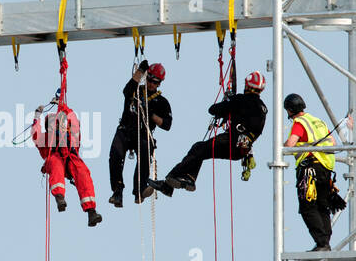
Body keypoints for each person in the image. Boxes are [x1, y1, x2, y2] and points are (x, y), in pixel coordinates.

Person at [148, 71, 266, 196]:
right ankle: (189, 179)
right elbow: (250, 120)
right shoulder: (262, 108)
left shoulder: (240, 100)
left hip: (230, 141)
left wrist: (229, 100)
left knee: (198, 148)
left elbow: (213, 109)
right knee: (201, 151)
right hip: (242, 150)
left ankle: (170, 181)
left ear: (247, 85)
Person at [107, 60, 173, 207]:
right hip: (125, 130)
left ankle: (140, 189)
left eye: (154, 82)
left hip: (142, 133)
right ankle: (117, 190)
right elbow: (126, 90)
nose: (151, 84)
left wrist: (152, 115)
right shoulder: (135, 91)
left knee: (145, 151)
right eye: (149, 80)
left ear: (159, 83)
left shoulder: (161, 102)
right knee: (115, 156)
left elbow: (167, 124)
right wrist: (141, 71)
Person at [32, 101, 103, 227]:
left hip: (71, 160)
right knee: (56, 163)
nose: (56, 126)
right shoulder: (46, 139)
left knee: (83, 173)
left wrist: (63, 106)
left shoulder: (72, 135)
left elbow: (73, 119)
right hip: (55, 160)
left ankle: (91, 211)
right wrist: (37, 116)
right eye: (52, 124)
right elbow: (35, 134)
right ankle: (59, 197)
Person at [283, 94, 336, 251]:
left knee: (307, 207)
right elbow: (333, 142)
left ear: (290, 110)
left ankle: (321, 243)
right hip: (326, 168)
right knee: (322, 206)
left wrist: (283, 145)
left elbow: (291, 144)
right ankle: (325, 242)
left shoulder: (299, 123)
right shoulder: (318, 121)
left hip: (310, 168)